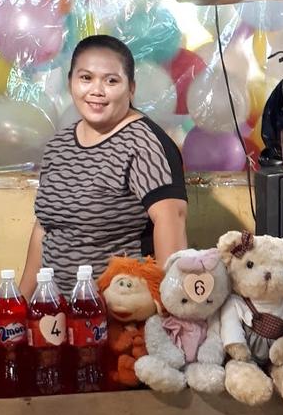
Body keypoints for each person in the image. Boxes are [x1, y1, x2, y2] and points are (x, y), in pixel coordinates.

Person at [22, 35, 188, 295]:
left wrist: (167, 308)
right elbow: (44, 228)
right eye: (86, 78)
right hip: (54, 311)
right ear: (70, 83)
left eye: (111, 81)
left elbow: (171, 220)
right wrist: (21, 301)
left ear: (131, 88)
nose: (96, 91)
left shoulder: (144, 143)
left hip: (117, 316)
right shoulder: (58, 145)